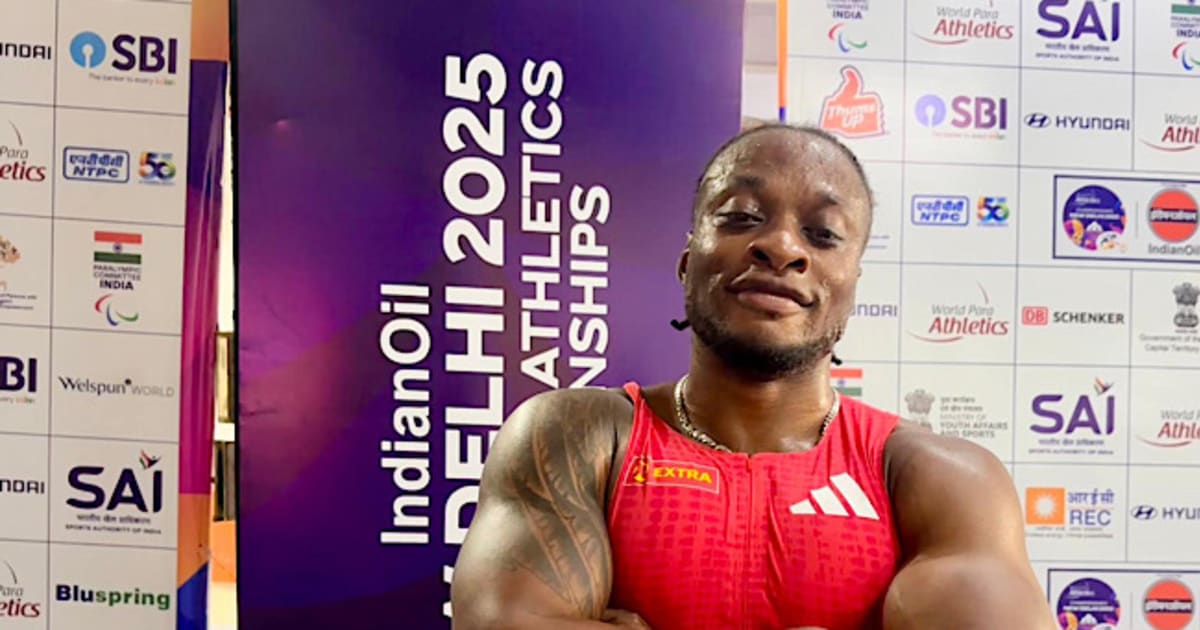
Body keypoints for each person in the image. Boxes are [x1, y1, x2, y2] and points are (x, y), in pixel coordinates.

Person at [450, 124, 1054, 629]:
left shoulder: (939, 476)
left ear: (851, 287)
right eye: (741, 217)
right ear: (687, 261)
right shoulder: (578, 436)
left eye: (822, 234)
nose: (782, 246)